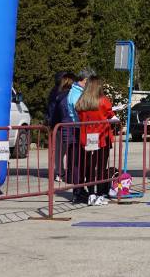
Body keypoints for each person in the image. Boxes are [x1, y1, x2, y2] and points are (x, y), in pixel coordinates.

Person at [75, 76, 116, 206]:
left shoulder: (82, 101)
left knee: (90, 166)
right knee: (101, 167)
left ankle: (91, 194)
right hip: (102, 136)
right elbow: (111, 115)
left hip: (87, 136)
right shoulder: (103, 100)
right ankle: (99, 194)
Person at [54, 73, 88, 203]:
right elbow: (76, 110)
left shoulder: (70, 93)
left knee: (76, 161)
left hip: (72, 129)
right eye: (86, 82)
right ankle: (77, 191)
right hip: (73, 129)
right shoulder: (73, 94)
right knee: (75, 161)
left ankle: (79, 189)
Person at [47, 71, 69, 182]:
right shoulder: (58, 92)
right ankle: (60, 172)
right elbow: (52, 109)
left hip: (59, 124)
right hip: (59, 124)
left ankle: (61, 172)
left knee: (61, 150)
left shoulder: (57, 92)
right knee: (60, 150)